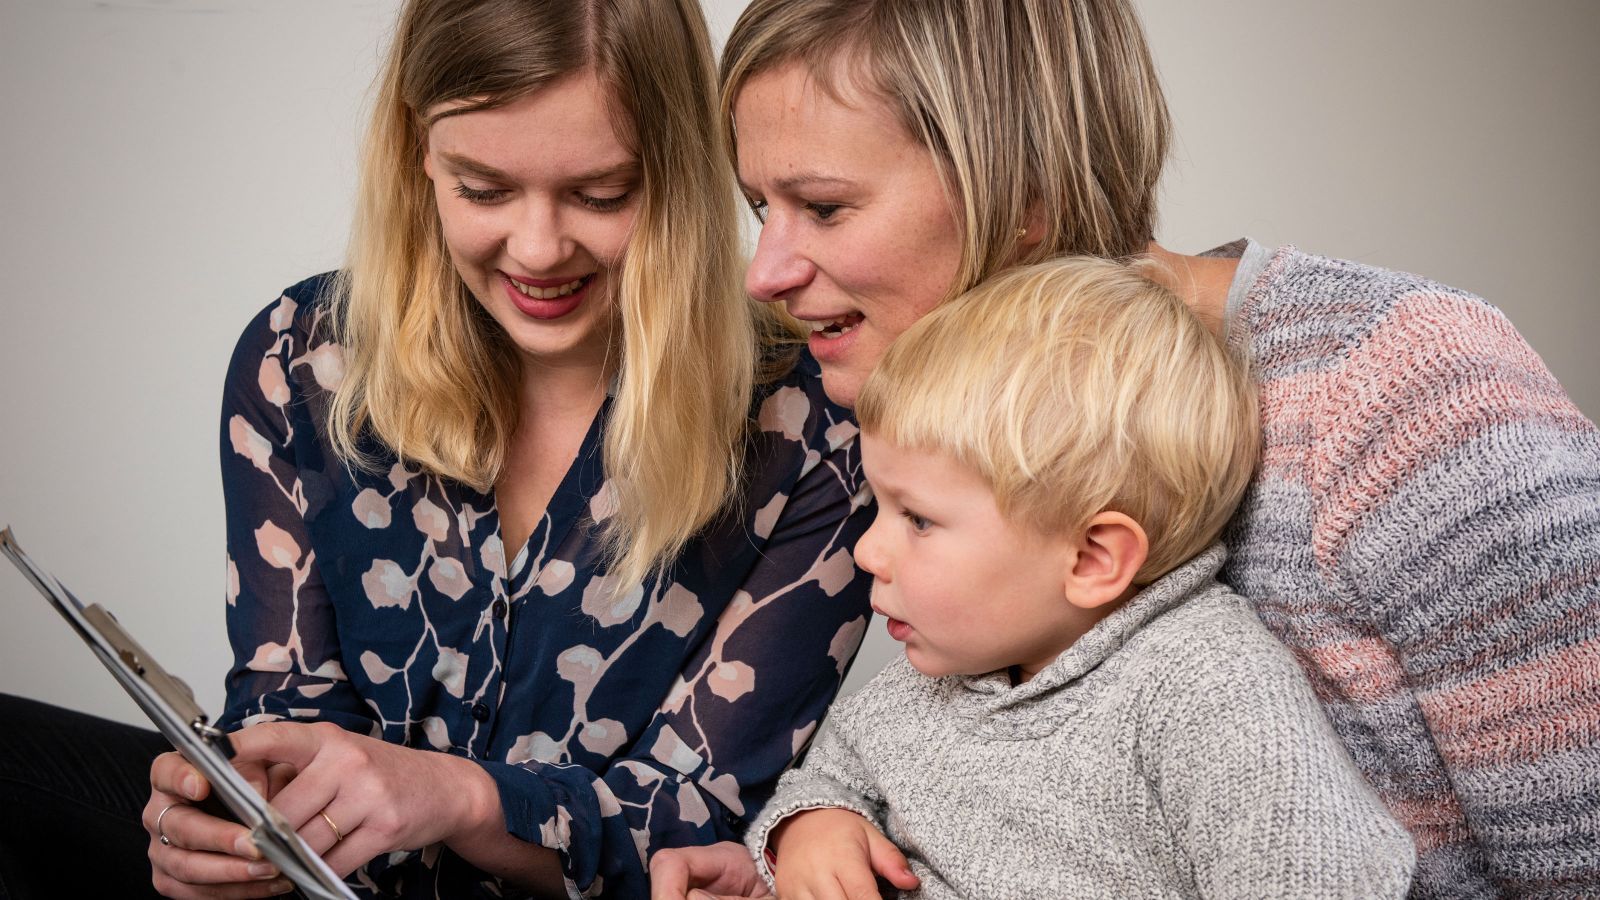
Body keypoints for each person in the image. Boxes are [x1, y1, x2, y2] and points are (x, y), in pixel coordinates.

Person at [650, 0, 1600, 896]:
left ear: (1025, 194)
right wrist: (800, 848)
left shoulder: (1403, 392)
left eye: (822, 207)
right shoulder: (922, 416)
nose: (767, 272)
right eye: (758, 207)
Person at [0, 1, 873, 898]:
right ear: (417, 151)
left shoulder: (815, 424)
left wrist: (461, 797)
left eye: (601, 194)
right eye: (483, 189)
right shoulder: (300, 357)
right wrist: (225, 819)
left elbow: (696, 826)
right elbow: (285, 707)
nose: (538, 249)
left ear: (683, 171)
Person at [750, 257, 1417, 898]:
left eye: (917, 520)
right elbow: (827, 777)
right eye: (880, 508)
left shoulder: (1209, 689)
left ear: (1094, 558)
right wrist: (812, 825)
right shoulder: (927, 677)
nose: (868, 552)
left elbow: (1320, 880)